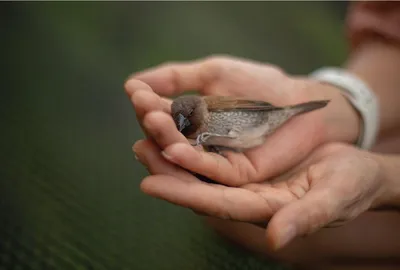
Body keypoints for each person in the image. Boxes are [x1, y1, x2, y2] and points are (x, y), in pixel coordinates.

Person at [124, 1, 400, 269]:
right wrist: (350, 102)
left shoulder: (210, 106)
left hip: (260, 117)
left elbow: (244, 110)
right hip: (262, 134)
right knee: (241, 222)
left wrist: (387, 179)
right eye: (183, 122)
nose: (185, 123)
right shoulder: (194, 124)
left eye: (188, 118)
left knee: (302, 226)